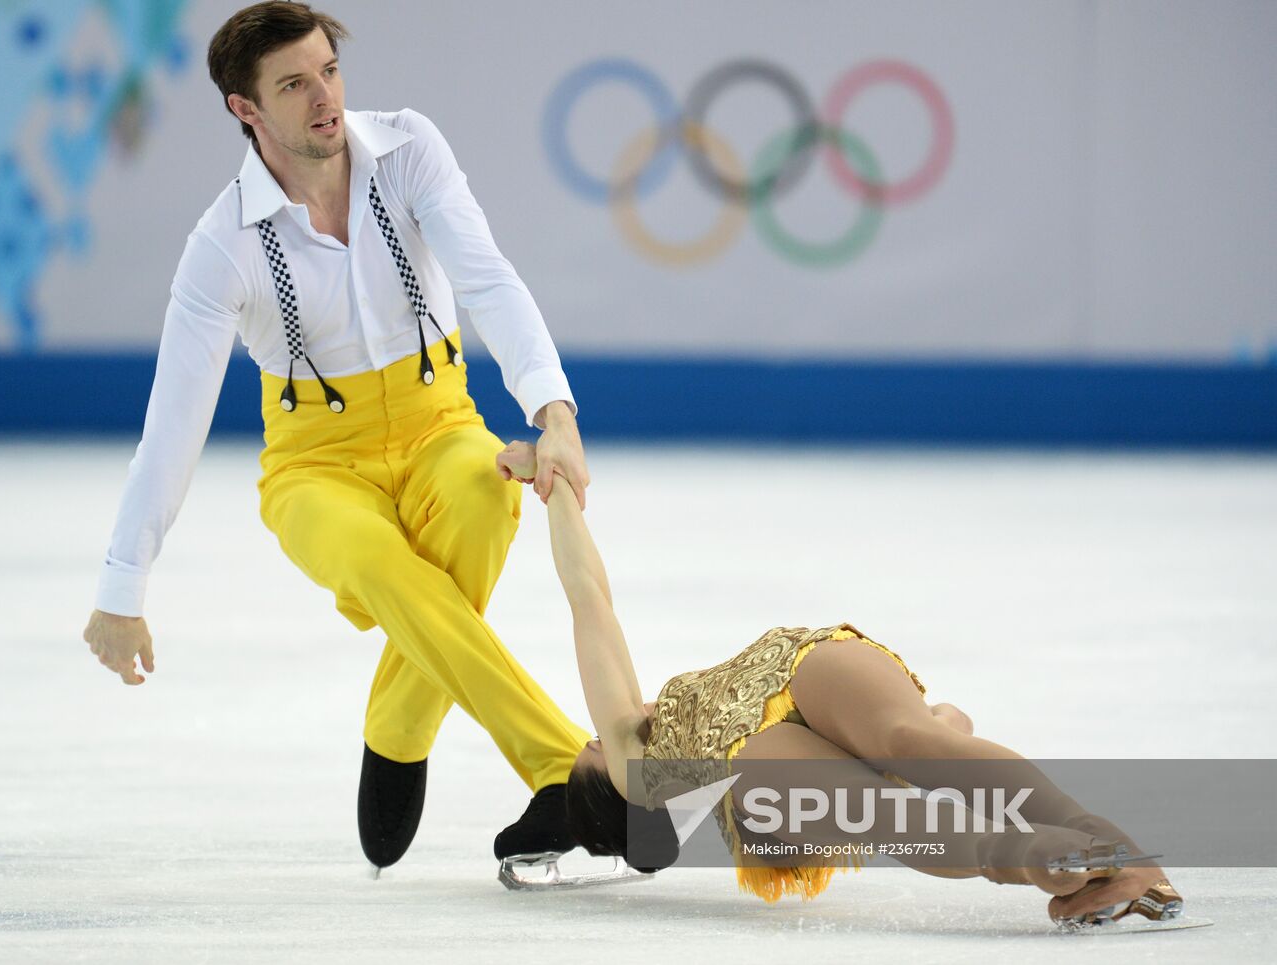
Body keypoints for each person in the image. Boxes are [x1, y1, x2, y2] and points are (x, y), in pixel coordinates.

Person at [81, 1, 592, 873]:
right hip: (316, 468)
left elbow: (488, 278)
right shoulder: (221, 248)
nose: (325, 98)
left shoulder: (409, 150)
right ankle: (574, 771)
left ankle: (397, 728)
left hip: (440, 424)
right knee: (385, 566)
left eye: (328, 71)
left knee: (480, 505)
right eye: (293, 84)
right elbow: (173, 423)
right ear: (246, 110)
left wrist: (555, 413)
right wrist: (121, 586)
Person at [494, 440, 1188, 926]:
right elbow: (589, 599)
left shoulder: (655, 757)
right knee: (899, 777)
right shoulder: (631, 763)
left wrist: (547, 482)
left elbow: (592, 599)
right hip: (763, 747)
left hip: (797, 675)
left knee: (908, 749)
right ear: (605, 781)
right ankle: (1060, 848)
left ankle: (1072, 847)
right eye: (588, 748)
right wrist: (548, 487)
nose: (596, 730)